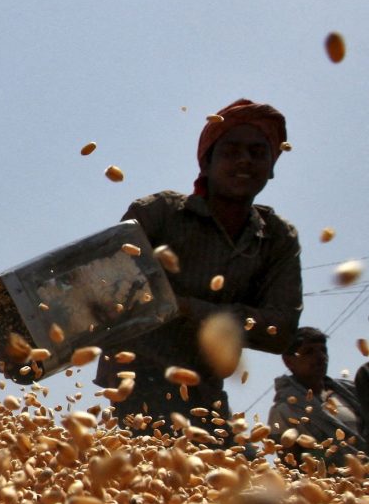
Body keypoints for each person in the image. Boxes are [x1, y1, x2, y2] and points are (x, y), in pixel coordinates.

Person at [95, 99, 302, 440]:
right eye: (231, 151)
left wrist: (187, 307)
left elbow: (280, 330)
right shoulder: (159, 214)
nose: (244, 161)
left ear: (272, 165)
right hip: (137, 383)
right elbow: (102, 288)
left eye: (257, 152)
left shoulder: (276, 238)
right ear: (207, 162)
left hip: (205, 391)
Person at [268, 327, 365, 468]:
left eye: (323, 350)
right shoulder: (284, 411)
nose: (321, 357)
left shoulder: (350, 393)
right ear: (289, 361)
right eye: (309, 352)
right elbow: (290, 466)